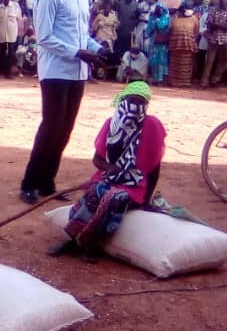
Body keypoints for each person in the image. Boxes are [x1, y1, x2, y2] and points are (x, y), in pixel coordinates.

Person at [20, 0, 110, 204]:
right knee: (51, 127)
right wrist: (78, 52)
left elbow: (82, 34)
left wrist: (96, 48)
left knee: (66, 129)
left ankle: (48, 181)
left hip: (78, 72)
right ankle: (29, 182)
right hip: (56, 71)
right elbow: (45, 37)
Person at [48, 82, 166, 261]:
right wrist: (112, 169)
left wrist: (146, 199)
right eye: (131, 100)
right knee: (95, 192)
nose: (135, 105)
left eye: (140, 102)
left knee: (113, 198)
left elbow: (154, 166)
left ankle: (90, 243)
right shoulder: (111, 124)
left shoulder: (152, 126)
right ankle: (72, 239)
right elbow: (97, 159)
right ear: (122, 100)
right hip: (110, 177)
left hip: (135, 184)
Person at [200, 0, 227, 88]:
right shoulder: (213, 11)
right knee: (209, 61)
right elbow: (210, 25)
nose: (223, 1)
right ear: (219, 0)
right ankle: (204, 81)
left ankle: (215, 79)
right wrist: (221, 26)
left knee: (222, 60)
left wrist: (217, 25)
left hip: (225, 40)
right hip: (213, 39)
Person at [167, 2, 200, 87]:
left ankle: (185, 83)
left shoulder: (194, 19)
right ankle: (173, 82)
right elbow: (169, 31)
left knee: (186, 64)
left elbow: (196, 32)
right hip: (175, 45)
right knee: (174, 63)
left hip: (188, 45)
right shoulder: (174, 18)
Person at [0, 0, 22, 78]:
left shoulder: (15, 6)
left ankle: (9, 73)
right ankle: (1, 72)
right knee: (2, 52)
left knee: (11, 53)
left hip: (12, 32)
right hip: (2, 32)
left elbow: (19, 18)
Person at [146, 3, 171, 85]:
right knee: (153, 61)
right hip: (154, 43)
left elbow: (162, 26)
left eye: (160, 9)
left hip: (163, 44)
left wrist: (157, 21)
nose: (158, 10)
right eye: (157, 8)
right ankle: (154, 78)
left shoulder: (166, 17)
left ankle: (162, 80)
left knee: (162, 62)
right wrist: (154, 23)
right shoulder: (152, 17)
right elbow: (148, 30)